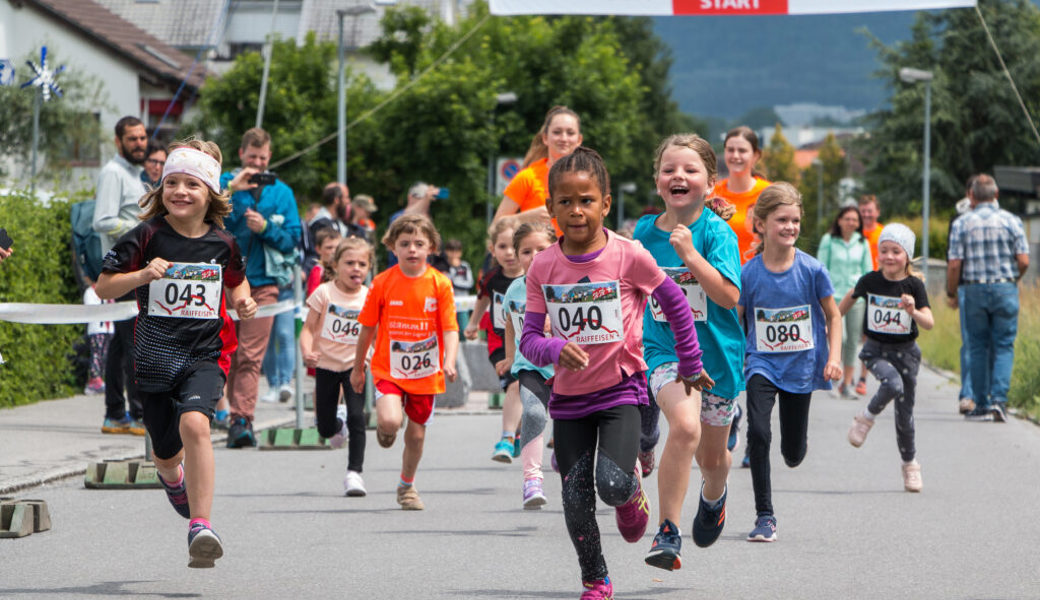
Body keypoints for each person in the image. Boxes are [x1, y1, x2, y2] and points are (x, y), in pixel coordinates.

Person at [519, 148, 711, 600]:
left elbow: (675, 302)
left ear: (605, 204)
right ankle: (596, 578)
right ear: (550, 208)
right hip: (569, 400)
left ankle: (631, 495)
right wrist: (553, 348)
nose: (576, 211)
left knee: (611, 484)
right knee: (574, 498)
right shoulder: (543, 266)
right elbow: (528, 339)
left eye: (586, 200)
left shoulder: (628, 255)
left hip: (620, 391)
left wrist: (689, 361)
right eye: (566, 202)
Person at [95, 139, 258, 568]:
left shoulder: (223, 243)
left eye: (192, 184)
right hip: (153, 355)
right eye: (172, 183)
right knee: (165, 455)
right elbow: (104, 284)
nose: (180, 191)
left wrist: (243, 300)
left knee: (195, 423)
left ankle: (201, 527)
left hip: (205, 354)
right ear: (160, 188)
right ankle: (173, 479)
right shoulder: (146, 235)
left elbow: (236, 281)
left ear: (211, 193)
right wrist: (142, 274)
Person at [634, 134, 744, 571]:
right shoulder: (644, 232)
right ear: (658, 181)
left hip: (718, 357)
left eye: (690, 170)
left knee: (712, 459)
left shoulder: (718, 233)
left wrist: (690, 255)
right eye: (669, 169)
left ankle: (714, 497)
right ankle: (668, 531)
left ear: (710, 183)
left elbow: (729, 297)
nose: (678, 176)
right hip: (666, 351)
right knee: (683, 426)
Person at [738, 182, 843, 543]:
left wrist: (834, 357)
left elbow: (834, 316)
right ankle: (765, 515)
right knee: (759, 433)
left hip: (801, 366)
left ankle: (797, 446)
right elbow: (737, 319)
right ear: (761, 224)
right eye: (782, 220)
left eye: (795, 220)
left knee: (793, 453)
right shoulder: (749, 273)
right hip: (761, 363)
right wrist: (734, 358)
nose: (790, 227)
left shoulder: (812, 270)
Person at [349, 214, 459, 511]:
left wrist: (449, 360)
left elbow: (450, 328)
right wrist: (358, 368)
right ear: (392, 247)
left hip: (426, 371)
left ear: (431, 247)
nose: (412, 249)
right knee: (390, 420)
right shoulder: (383, 282)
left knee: (417, 434)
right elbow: (367, 328)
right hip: (389, 368)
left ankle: (406, 485)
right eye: (405, 243)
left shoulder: (440, 284)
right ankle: (387, 428)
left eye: (419, 244)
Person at [220, 127, 302, 448]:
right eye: (252, 157)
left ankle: (242, 420)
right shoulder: (224, 183)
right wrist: (230, 189)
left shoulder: (282, 193)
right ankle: (223, 412)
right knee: (226, 351)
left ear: (270, 157)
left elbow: (293, 239)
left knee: (251, 355)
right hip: (227, 280)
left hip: (265, 284)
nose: (257, 163)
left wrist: (266, 227)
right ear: (242, 154)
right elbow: (202, 218)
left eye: (262, 158)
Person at [842, 224, 933, 492]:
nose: (889, 256)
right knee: (892, 384)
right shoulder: (870, 281)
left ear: (907, 256)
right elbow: (848, 299)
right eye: (884, 251)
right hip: (876, 350)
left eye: (896, 251)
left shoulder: (914, 285)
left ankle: (910, 465)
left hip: (906, 354)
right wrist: (830, 321)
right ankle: (866, 418)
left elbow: (929, 323)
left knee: (905, 416)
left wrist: (913, 311)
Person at [947, 174, 1029, 423]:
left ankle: (981, 404)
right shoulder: (1012, 221)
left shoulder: (962, 223)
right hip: (1005, 288)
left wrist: (951, 292)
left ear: (971, 195)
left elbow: (954, 265)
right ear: (996, 194)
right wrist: (1012, 279)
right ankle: (999, 401)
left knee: (977, 346)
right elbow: (1024, 260)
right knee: (1004, 345)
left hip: (974, 289)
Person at [300, 237, 373, 497]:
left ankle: (354, 473)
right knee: (325, 428)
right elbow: (308, 329)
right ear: (336, 265)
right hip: (326, 365)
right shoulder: (324, 293)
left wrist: (372, 358)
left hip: (355, 366)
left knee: (357, 417)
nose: (356, 268)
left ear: (369, 267)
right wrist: (307, 352)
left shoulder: (369, 296)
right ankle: (336, 424)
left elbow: (377, 333)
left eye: (362, 264)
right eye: (349, 263)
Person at [93, 115, 148, 436]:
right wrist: (142, 229)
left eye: (142, 138)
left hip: (135, 269)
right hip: (123, 270)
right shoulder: (113, 173)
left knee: (120, 343)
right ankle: (139, 414)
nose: (139, 144)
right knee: (134, 342)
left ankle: (115, 413)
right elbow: (102, 221)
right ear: (118, 141)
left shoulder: (135, 175)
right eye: (132, 139)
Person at [501, 222, 557, 508]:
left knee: (569, 421)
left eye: (542, 249)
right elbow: (510, 324)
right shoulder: (514, 289)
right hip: (530, 365)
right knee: (534, 413)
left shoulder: (566, 282)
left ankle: (564, 452)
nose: (534, 256)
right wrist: (510, 357)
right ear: (517, 255)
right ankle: (532, 479)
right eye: (526, 251)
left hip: (566, 365)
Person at [464, 217, 524, 462]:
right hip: (499, 342)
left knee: (525, 392)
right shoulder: (491, 278)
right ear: (492, 249)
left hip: (529, 342)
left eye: (514, 246)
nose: (509, 253)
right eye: (502, 247)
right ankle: (507, 439)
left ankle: (517, 433)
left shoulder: (535, 276)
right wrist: (473, 323)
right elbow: (482, 299)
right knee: (515, 385)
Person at [494, 106, 583, 234]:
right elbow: (495, 227)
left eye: (570, 133)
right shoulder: (527, 177)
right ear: (545, 138)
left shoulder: (587, 179)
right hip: (536, 247)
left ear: (579, 140)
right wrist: (524, 218)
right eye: (557, 132)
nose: (564, 138)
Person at [816, 206, 873, 398]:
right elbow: (821, 267)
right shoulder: (829, 240)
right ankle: (834, 376)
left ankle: (847, 384)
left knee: (852, 342)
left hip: (856, 298)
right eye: (847, 218)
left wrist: (866, 292)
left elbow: (867, 270)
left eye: (854, 219)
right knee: (841, 338)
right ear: (839, 220)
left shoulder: (862, 242)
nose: (851, 222)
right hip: (833, 297)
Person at [713, 126, 771, 264]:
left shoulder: (769, 194)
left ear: (756, 155)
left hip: (758, 273)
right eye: (730, 150)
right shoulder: (712, 194)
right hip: (719, 273)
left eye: (742, 151)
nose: (735, 156)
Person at [948, 176, 978, 415]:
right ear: (968, 194)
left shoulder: (1001, 218)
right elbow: (952, 260)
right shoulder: (958, 219)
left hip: (991, 287)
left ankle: (984, 394)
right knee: (970, 343)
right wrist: (952, 290)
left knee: (990, 345)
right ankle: (968, 395)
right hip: (967, 287)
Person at [386, 182, 440, 267]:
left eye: (427, 200)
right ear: (410, 197)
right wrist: (426, 198)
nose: (425, 202)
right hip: (398, 270)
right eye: (421, 198)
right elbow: (406, 218)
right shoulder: (397, 217)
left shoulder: (426, 219)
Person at [83, 280, 113, 395]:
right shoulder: (90, 292)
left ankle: (101, 378)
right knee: (96, 354)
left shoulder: (110, 291)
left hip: (108, 329)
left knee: (105, 356)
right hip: (96, 329)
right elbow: (91, 309)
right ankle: (94, 379)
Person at [306, 228, 343, 298]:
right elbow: (313, 297)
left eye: (337, 248)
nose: (334, 251)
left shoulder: (343, 269)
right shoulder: (318, 271)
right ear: (318, 249)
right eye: (329, 248)